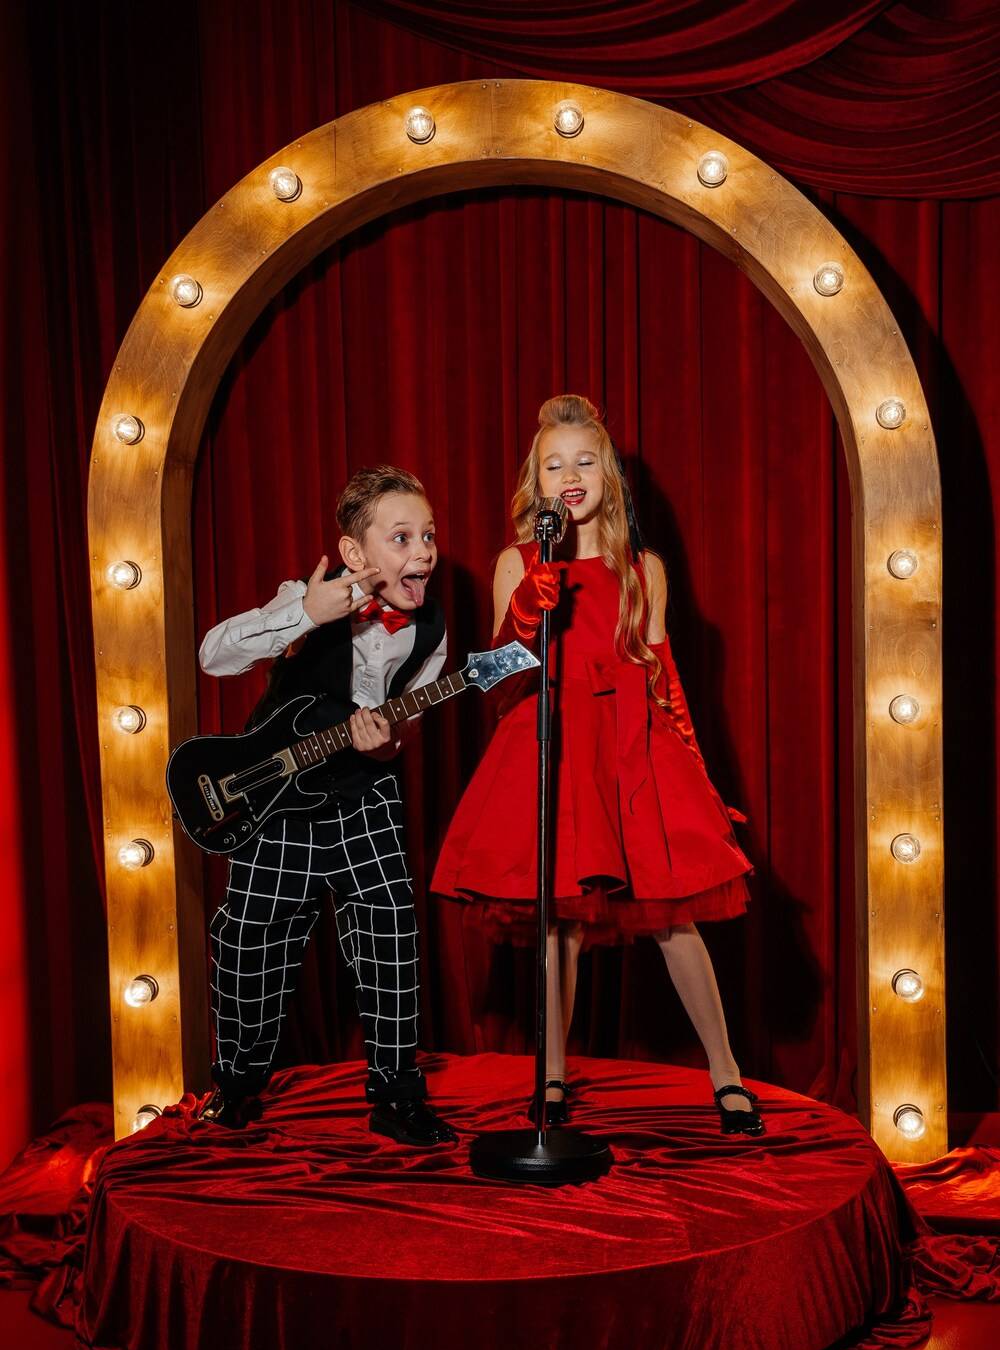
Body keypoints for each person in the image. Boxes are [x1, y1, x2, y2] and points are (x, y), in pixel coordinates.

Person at [432, 396, 764, 1135]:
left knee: (676, 919)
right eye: (555, 465)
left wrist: (697, 778)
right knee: (561, 923)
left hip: (630, 746)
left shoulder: (642, 567)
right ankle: (551, 1078)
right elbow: (495, 681)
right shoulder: (516, 562)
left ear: (607, 475)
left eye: (585, 460)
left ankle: (727, 1074)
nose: (571, 474)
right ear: (537, 483)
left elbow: (664, 678)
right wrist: (526, 610)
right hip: (550, 743)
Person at [197, 465, 457, 1146]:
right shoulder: (305, 598)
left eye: (428, 535)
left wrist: (384, 745)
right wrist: (304, 614)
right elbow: (214, 657)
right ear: (353, 552)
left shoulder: (432, 630)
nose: (423, 551)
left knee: (391, 933)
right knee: (251, 940)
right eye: (401, 537)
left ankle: (396, 1094)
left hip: (363, 792)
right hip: (277, 800)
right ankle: (238, 1086)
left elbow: (403, 728)